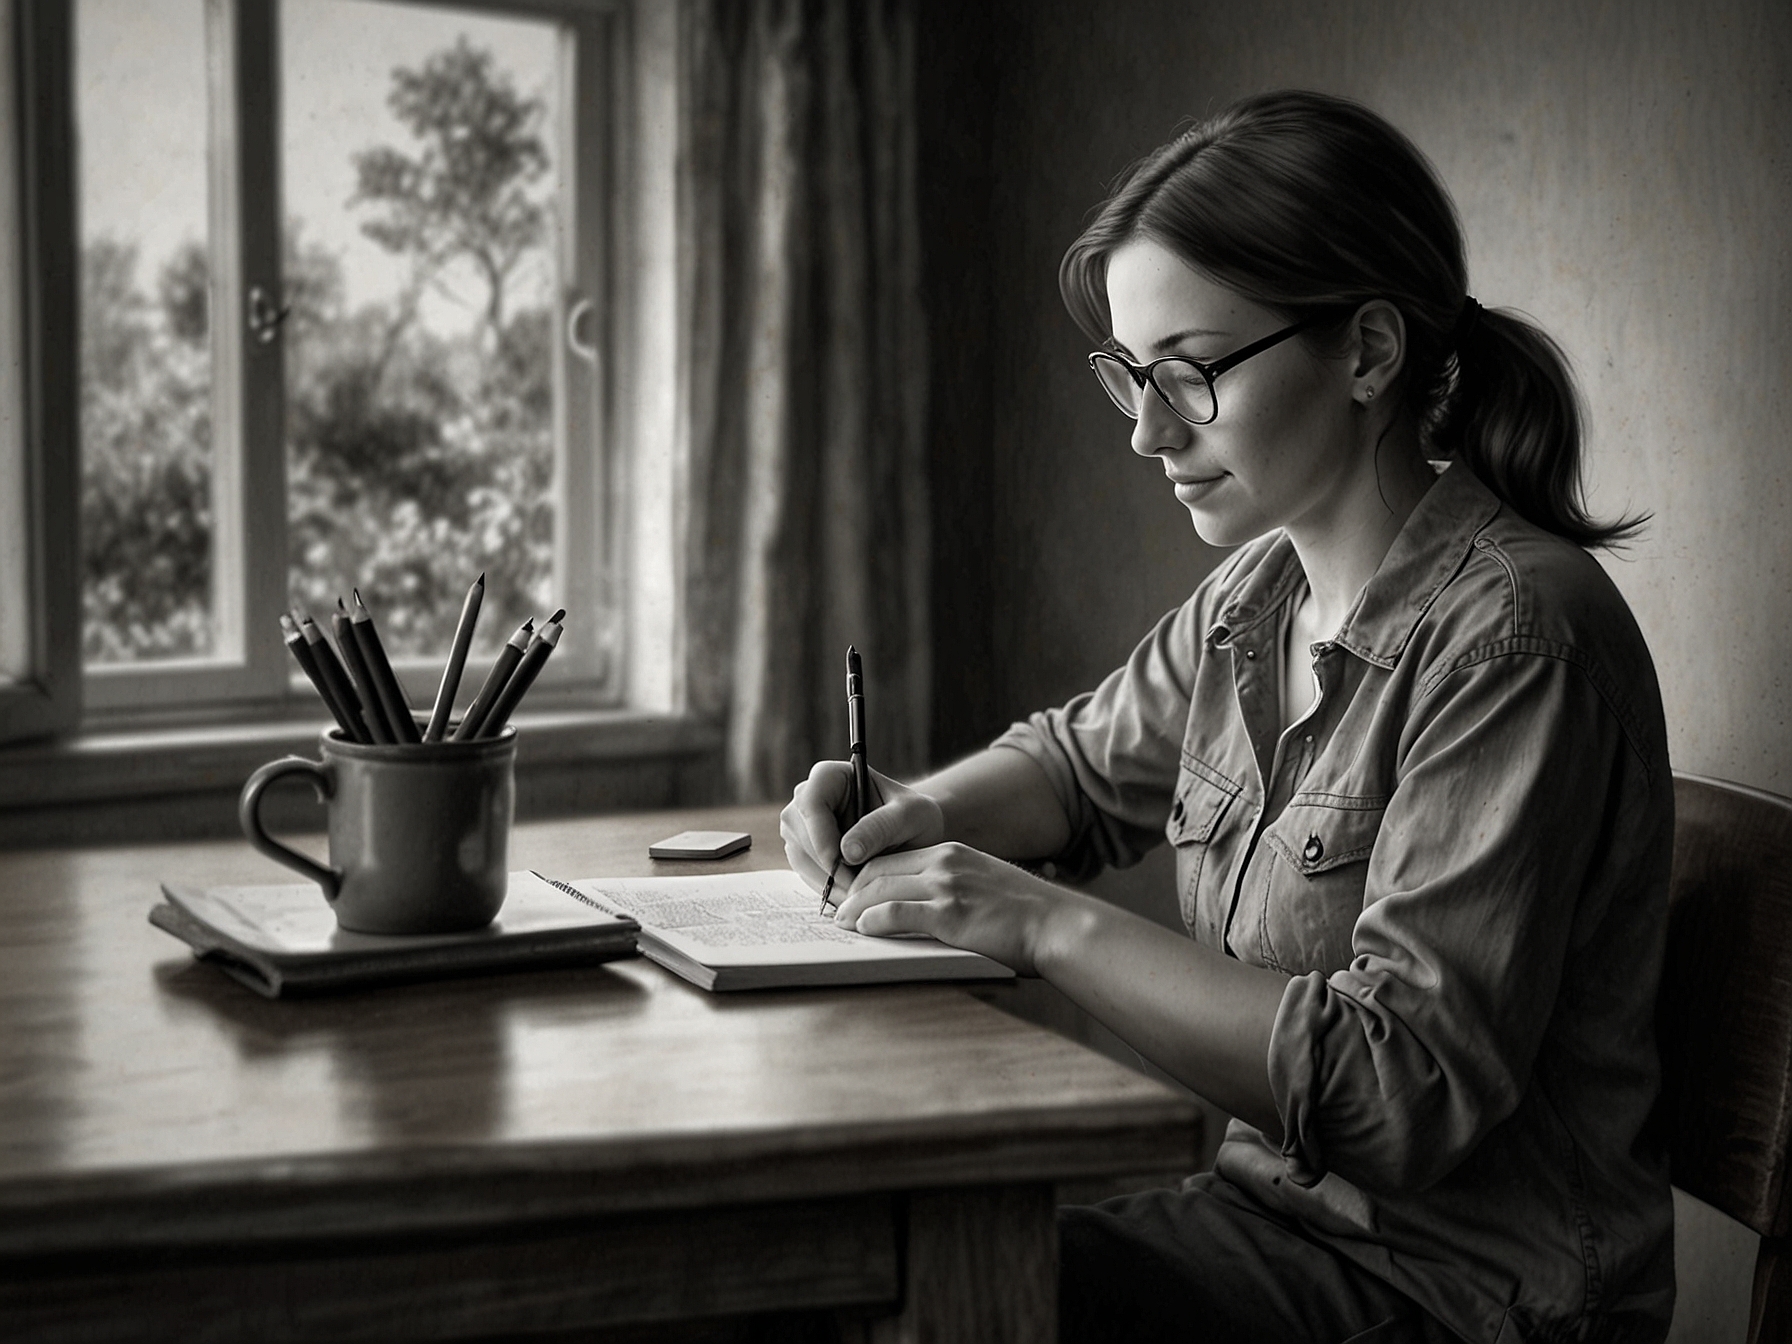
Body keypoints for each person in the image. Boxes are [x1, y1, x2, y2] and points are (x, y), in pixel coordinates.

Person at [782, 90, 1674, 1344]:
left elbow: (1396, 1089)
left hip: (1464, 1302)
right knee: (864, 1286)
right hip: (1269, 1233)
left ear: (1367, 352)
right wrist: (915, 809)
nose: (1147, 431)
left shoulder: (1515, 639)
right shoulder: (1256, 597)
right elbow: (1078, 772)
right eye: (1132, 379)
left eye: (1191, 374)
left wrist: (1040, 922)